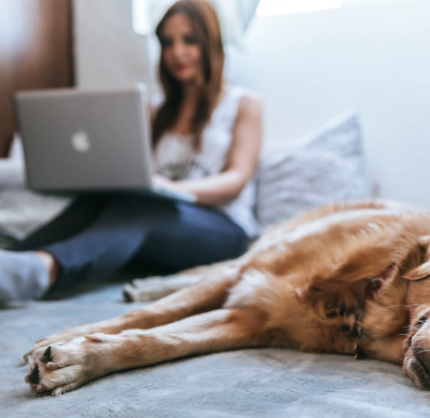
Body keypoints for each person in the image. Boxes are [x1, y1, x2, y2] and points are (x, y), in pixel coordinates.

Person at [0, 0, 262, 302]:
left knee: (141, 209)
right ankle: (13, 258)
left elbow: (236, 180)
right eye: (168, 43)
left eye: (189, 40)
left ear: (210, 42)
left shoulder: (243, 103)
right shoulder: (156, 110)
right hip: (161, 220)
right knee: (110, 199)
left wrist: (172, 188)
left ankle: (45, 271)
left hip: (224, 230)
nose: (177, 52)